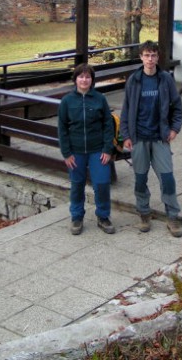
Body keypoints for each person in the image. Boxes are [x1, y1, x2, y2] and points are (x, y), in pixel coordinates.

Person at [120, 40, 182, 237]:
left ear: (158, 57)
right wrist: (126, 135)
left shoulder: (165, 79)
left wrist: (174, 128)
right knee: (140, 179)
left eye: (153, 55)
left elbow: (177, 107)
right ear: (141, 57)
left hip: (160, 138)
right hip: (139, 138)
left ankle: (172, 216)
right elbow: (126, 110)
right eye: (146, 55)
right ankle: (144, 213)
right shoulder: (134, 80)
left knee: (168, 178)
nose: (150, 59)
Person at [58, 63, 115, 235]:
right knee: (77, 185)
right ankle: (77, 217)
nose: (84, 80)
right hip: (75, 152)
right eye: (81, 76)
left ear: (92, 80)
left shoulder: (99, 99)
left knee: (102, 183)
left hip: (98, 150)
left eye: (88, 77)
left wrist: (107, 149)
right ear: (75, 79)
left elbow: (108, 125)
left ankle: (103, 216)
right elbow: (62, 128)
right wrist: (66, 153)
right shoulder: (67, 101)